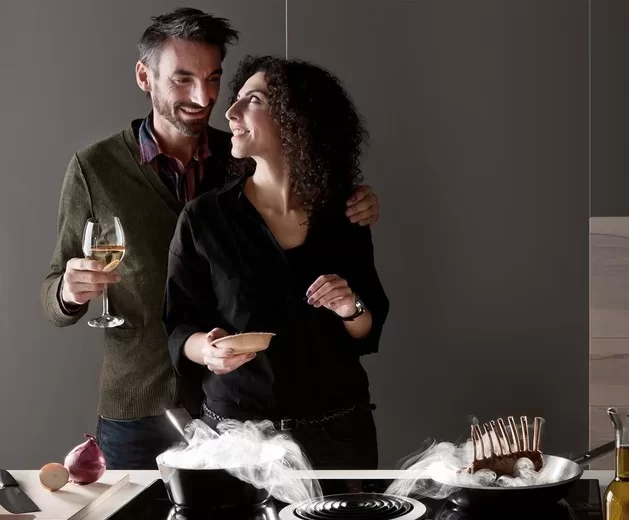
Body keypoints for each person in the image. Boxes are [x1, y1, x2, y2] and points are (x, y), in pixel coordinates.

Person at [40, 9, 381, 470]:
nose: (204, 98)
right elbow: (54, 290)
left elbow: (304, 177)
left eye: (213, 78)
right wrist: (67, 291)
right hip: (142, 404)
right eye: (183, 79)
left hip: (235, 409)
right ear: (145, 77)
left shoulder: (242, 153)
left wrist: (352, 199)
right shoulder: (94, 169)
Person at [163, 55, 388, 470]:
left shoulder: (345, 213)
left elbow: (367, 329)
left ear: (295, 120)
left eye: (254, 100)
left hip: (337, 440)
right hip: (236, 443)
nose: (230, 112)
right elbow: (178, 326)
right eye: (237, 99)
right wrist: (208, 351)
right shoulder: (205, 217)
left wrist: (350, 306)